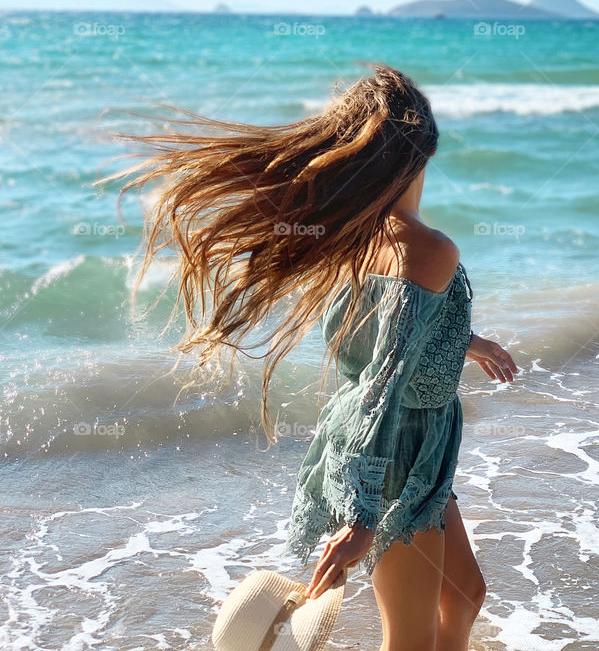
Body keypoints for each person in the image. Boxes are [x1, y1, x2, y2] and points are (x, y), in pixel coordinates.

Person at [96, 64, 519, 650]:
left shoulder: (355, 237)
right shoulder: (425, 248)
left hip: (416, 451)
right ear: (424, 151)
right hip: (395, 449)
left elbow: (383, 335)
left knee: (466, 594)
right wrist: (361, 516)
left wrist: (462, 340)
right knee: (412, 640)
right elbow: (383, 384)